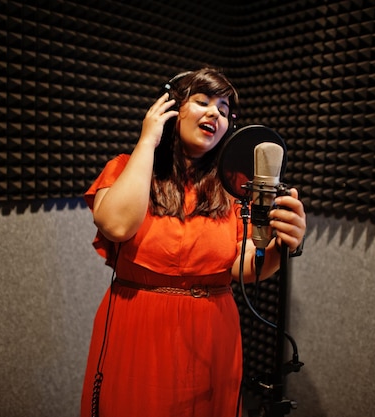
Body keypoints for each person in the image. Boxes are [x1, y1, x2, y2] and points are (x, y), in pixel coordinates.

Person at [80, 68, 306, 417]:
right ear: (172, 108)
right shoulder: (125, 169)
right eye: (202, 102)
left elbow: (242, 266)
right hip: (137, 327)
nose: (215, 113)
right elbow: (118, 225)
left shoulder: (236, 188)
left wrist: (279, 247)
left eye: (224, 109)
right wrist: (147, 141)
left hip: (212, 334)